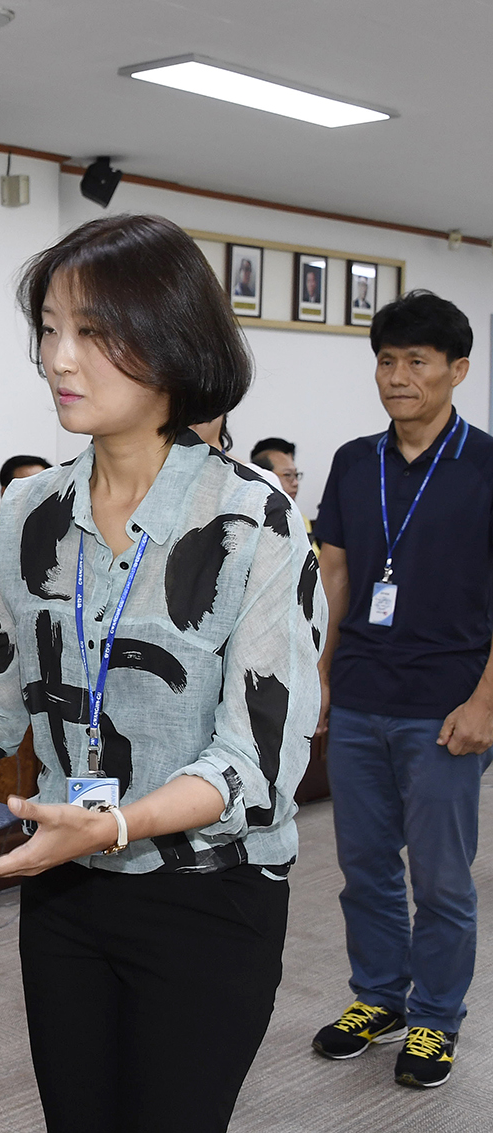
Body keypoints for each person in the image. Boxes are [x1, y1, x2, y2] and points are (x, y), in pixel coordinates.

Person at [0, 214, 324, 1132]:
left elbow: (255, 763)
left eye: (94, 331)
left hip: (206, 893)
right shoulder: (31, 512)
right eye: (50, 328)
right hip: (65, 891)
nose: (60, 356)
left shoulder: (254, 520)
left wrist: (116, 823)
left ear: (174, 341)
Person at [310, 290, 493, 1089]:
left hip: (447, 704)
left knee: (444, 879)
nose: (397, 376)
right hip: (359, 696)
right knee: (366, 866)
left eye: (416, 361)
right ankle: (379, 997)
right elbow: (339, 571)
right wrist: (322, 671)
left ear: (457, 369)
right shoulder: (356, 460)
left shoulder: (486, 464)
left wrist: (487, 700)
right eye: (386, 360)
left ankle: (436, 1017)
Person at [0, 454, 52, 545]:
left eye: (42, 486)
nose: (35, 494)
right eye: (26, 487)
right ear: (5, 492)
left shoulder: (61, 529)